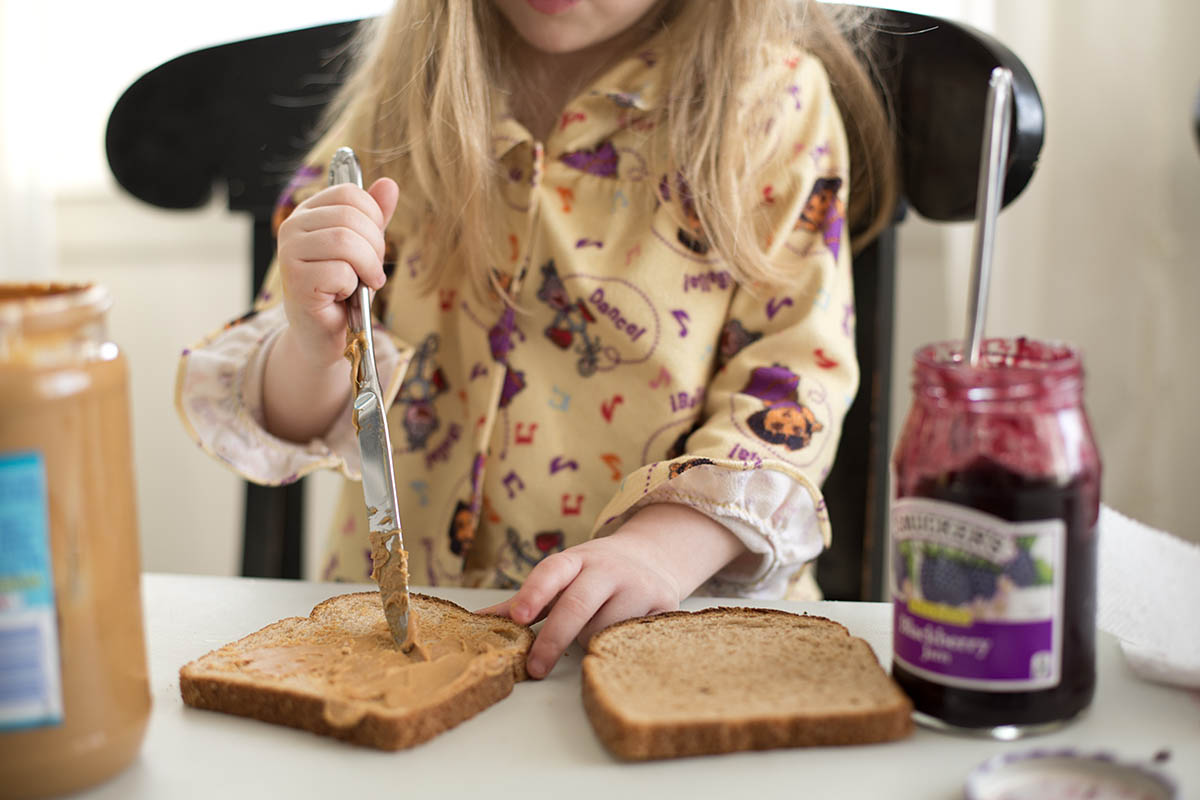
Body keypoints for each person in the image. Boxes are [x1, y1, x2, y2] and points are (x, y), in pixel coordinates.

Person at [175, 0, 896, 679]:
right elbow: (294, 413)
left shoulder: (770, 103)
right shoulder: (407, 97)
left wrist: (658, 552)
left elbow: (794, 383)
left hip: (678, 626)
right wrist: (312, 342)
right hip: (406, 636)